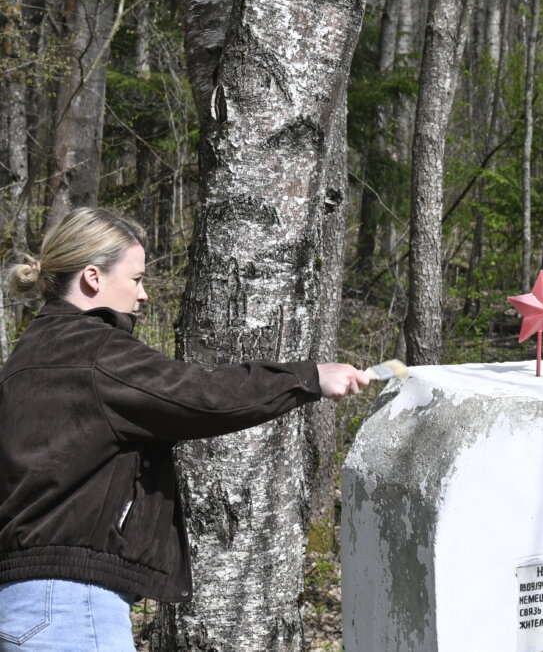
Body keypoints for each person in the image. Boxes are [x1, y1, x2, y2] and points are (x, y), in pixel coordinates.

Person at [0, 207, 370, 651]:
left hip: (22, 601)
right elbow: (201, 394)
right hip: (68, 606)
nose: (143, 296)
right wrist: (308, 377)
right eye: (136, 279)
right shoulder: (94, 352)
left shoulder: (27, 356)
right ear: (93, 277)